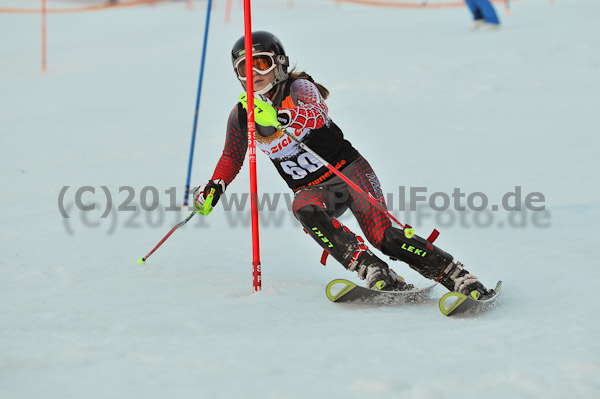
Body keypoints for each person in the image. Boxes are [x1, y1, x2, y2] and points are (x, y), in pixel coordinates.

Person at [194, 31, 495, 298]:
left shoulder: (298, 88)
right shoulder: (242, 113)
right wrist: (214, 187)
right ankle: (372, 269)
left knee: (384, 236)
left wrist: (285, 119)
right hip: (314, 189)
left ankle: (455, 275)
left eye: (261, 63)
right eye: (245, 68)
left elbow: (316, 112)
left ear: (280, 62)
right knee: (303, 208)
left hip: (349, 173)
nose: (255, 73)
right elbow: (231, 156)